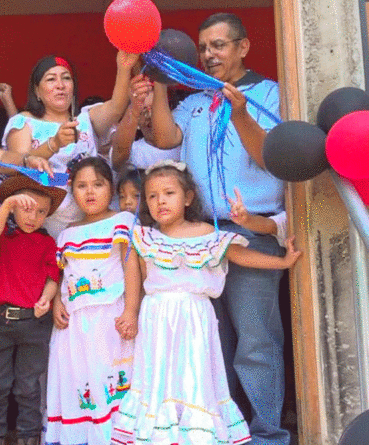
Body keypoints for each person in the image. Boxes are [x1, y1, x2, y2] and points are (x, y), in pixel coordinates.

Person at [148, 13, 291, 444]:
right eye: (203, 47)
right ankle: (224, 433)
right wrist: (158, 81)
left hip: (251, 233)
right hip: (201, 238)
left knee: (256, 343)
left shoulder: (271, 94)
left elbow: (272, 158)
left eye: (219, 46)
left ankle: (267, 435)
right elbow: (163, 138)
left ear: (243, 48)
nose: (209, 55)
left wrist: (241, 113)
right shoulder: (193, 101)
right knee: (213, 342)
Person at [111, 161, 301, 445]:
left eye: (169, 193)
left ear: (187, 198)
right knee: (157, 379)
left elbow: (241, 256)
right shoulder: (145, 237)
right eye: (151, 196)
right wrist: (130, 311)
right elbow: (134, 274)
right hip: (156, 320)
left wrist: (282, 262)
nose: (160, 201)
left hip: (193, 319)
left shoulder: (208, 235)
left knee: (194, 376)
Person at [45, 156, 139, 445]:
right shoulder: (67, 233)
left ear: (110, 189)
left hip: (111, 320)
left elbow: (130, 265)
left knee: (111, 378)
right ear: (72, 191)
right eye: (82, 186)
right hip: (74, 326)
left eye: (98, 185)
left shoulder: (122, 221)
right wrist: (57, 304)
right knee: (80, 378)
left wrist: (132, 311)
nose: (90, 192)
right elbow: (61, 275)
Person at [2, 52, 144, 237]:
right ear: (36, 90)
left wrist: (124, 68)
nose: (60, 85)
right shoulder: (23, 122)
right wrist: (55, 144)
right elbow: (17, 166)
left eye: (66, 78)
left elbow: (117, 106)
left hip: (94, 226)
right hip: (43, 230)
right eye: (51, 79)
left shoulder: (86, 118)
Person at [0, 175, 66, 445]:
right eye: (27, 208)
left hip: (33, 322)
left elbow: (53, 277)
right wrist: (6, 205)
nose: (33, 217)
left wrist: (47, 299)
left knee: (28, 385)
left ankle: (28, 437)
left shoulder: (48, 243)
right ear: (14, 208)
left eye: (41, 212)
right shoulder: (3, 235)